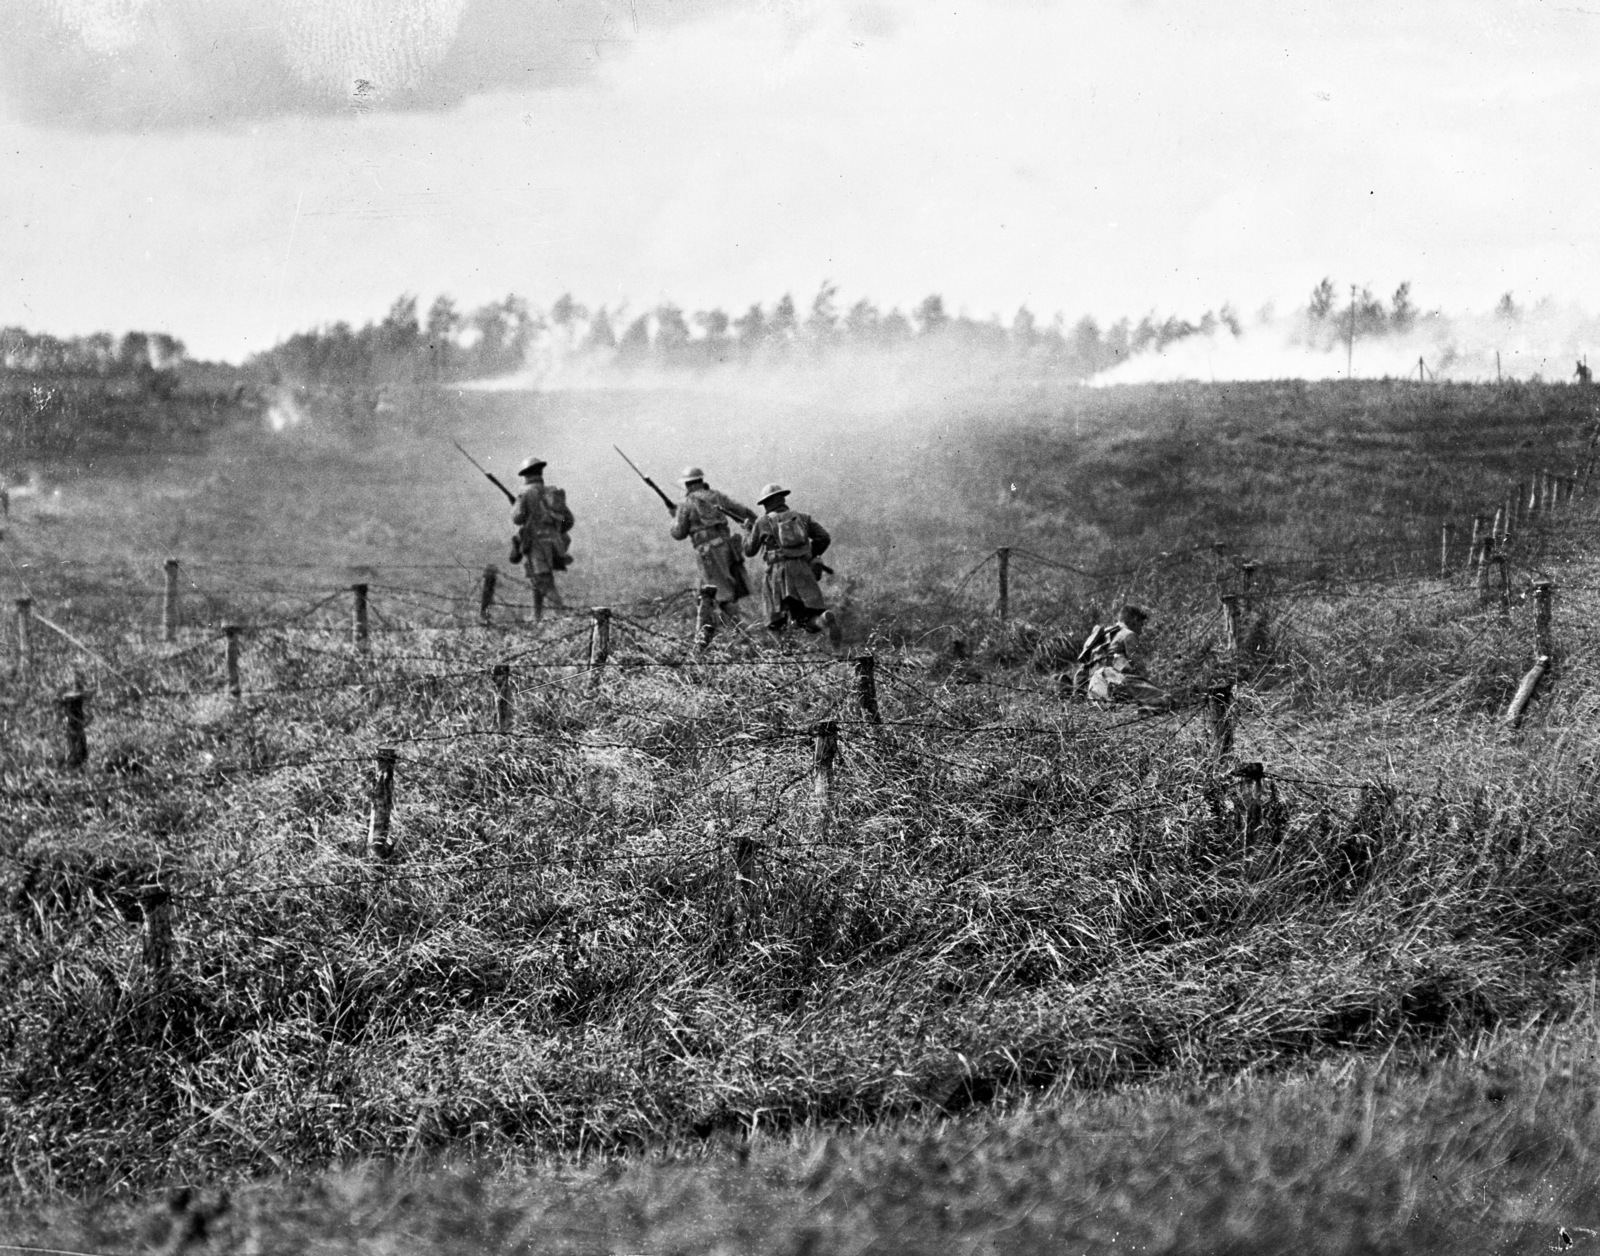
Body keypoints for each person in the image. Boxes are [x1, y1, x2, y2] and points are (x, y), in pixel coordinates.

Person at [743, 482, 840, 647]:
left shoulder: (762, 522)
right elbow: (824, 538)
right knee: (806, 617)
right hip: (803, 571)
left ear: (767, 503)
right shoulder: (802, 517)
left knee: (775, 620)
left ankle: (785, 655)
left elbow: (749, 550)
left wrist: (747, 531)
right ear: (782, 499)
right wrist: (809, 555)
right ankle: (823, 621)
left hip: (777, 575)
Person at [670, 466, 756, 622]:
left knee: (722, 594)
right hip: (726, 547)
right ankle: (704, 636)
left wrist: (674, 517)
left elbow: (678, 533)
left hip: (707, 552)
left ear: (687, 484)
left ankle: (745, 632)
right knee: (708, 594)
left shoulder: (687, 502)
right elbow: (743, 511)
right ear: (701, 481)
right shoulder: (716, 496)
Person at [510, 456, 574, 621]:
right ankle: (537, 618)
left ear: (526, 475)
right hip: (555, 544)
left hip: (537, 545)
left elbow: (517, 518)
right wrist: (555, 530)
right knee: (537, 579)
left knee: (543, 582)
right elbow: (569, 520)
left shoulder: (525, 493)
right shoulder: (551, 492)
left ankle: (564, 618)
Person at [1076, 605, 1171, 710]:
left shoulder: (1103, 634)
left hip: (1094, 688)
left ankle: (1127, 707)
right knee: (1166, 698)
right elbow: (1139, 666)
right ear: (1135, 621)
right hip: (1114, 681)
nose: (1141, 629)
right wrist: (1151, 685)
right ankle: (1138, 708)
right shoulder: (1128, 634)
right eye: (1141, 624)